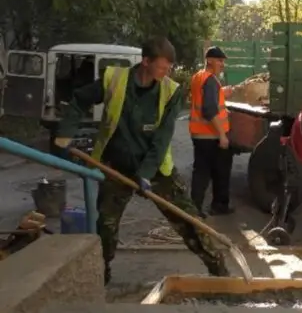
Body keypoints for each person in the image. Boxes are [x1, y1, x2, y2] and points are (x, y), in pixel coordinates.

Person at [53, 37, 229, 285]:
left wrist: (146, 172)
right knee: (106, 225)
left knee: (189, 221)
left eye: (169, 68)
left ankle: (221, 274)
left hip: (156, 168)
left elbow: (162, 138)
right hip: (116, 165)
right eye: (162, 67)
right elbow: (79, 99)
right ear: (146, 62)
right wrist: (65, 133)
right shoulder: (114, 79)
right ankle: (100, 278)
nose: (167, 72)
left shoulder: (171, 91)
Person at [189, 46, 235, 218]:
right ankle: (216, 206)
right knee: (215, 171)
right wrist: (222, 135)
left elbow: (201, 98)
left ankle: (197, 208)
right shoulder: (210, 80)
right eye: (219, 61)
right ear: (209, 60)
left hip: (199, 134)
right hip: (211, 135)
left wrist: (222, 92)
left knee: (203, 171)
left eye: (223, 61)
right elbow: (209, 109)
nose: (222, 64)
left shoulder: (198, 77)